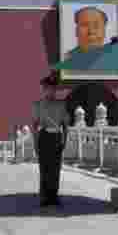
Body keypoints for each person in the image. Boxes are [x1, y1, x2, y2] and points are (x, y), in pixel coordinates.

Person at [32, 74, 69, 209]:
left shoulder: (61, 105)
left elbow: (65, 124)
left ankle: (53, 196)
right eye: (47, 88)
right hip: (44, 137)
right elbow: (34, 125)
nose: (50, 91)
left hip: (56, 137)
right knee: (44, 168)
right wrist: (35, 142)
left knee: (55, 169)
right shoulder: (38, 105)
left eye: (53, 89)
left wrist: (65, 140)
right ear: (44, 89)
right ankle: (44, 197)